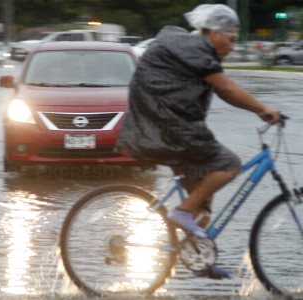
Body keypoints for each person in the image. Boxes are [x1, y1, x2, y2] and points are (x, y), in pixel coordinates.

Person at [115, 4, 281, 279]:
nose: (231, 46)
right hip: (169, 126)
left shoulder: (193, 50)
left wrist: (257, 109)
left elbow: (223, 91)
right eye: (230, 39)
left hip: (167, 123)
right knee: (229, 164)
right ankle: (180, 212)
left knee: (203, 202)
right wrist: (263, 108)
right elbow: (227, 87)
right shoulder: (195, 50)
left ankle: (200, 259)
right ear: (214, 32)